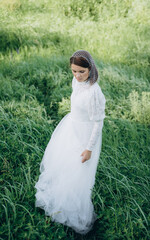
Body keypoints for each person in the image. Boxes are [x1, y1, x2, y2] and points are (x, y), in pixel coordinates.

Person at [35, 50, 106, 234]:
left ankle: (75, 212)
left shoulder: (94, 93)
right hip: (70, 129)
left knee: (79, 173)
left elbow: (98, 123)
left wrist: (88, 149)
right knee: (64, 166)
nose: (77, 75)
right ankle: (61, 202)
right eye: (74, 71)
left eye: (81, 71)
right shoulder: (76, 81)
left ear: (90, 68)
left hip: (85, 136)